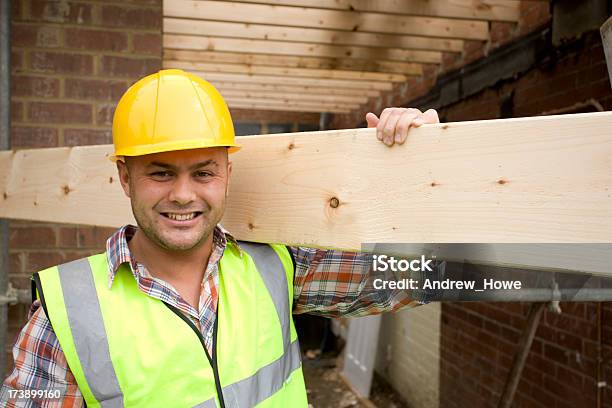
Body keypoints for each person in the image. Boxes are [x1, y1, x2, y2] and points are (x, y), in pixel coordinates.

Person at [1, 69, 440, 407]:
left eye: (204, 172)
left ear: (228, 173)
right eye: (160, 173)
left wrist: (420, 175)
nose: (183, 195)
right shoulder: (67, 316)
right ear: (124, 177)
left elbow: (424, 276)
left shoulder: (277, 267)